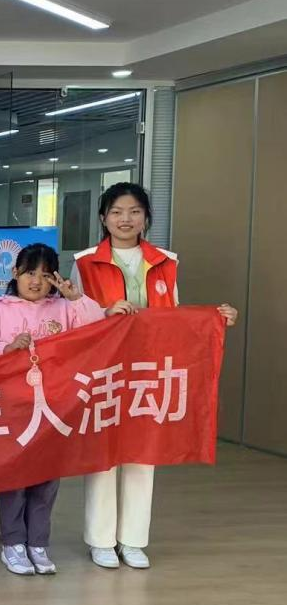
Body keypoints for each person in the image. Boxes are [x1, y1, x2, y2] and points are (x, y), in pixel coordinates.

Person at [71, 183, 238, 570]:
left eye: (134, 211)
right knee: (103, 455)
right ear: (103, 218)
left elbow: (175, 315)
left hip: (149, 368)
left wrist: (215, 318)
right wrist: (105, 313)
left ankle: (132, 540)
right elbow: (74, 314)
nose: (125, 219)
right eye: (116, 212)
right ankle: (100, 540)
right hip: (105, 367)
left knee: (144, 452)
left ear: (146, 218)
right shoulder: (84, 263)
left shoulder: (165, 261)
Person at [0, 243, 105, 576]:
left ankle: (38, 543)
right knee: (14, 476)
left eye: (45, 276)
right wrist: (6, 348)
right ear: (14, 272)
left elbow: (96, 328)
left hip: (55, 408)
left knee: (47, 477)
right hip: (13, 407)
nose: (36, 282)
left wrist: (75, 298)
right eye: (30, 273)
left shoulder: (64, 308)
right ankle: (12, 542)